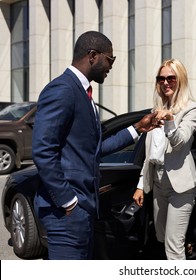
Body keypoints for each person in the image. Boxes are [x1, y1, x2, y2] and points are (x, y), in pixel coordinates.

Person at [32, 31, 156, 260]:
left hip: (82, 211)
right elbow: (42, 151)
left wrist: (137, 128)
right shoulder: (62, 90)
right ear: (93, 55)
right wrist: (68, 201)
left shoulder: (83, 93)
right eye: (110, 59)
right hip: (66, 214)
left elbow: (94, 149)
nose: (111, 66)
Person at [133, 58, 196, 260]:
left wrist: (170, 120)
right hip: (158, 182)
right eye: (161, 78)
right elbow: (151, 153)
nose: (166, 83)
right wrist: (140, 183)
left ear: (180, 80)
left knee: (173, 246)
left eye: (171, 78)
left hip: (181, 185)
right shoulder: (156, 109)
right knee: (161, 237)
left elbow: (180, 142)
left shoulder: (191, 109)